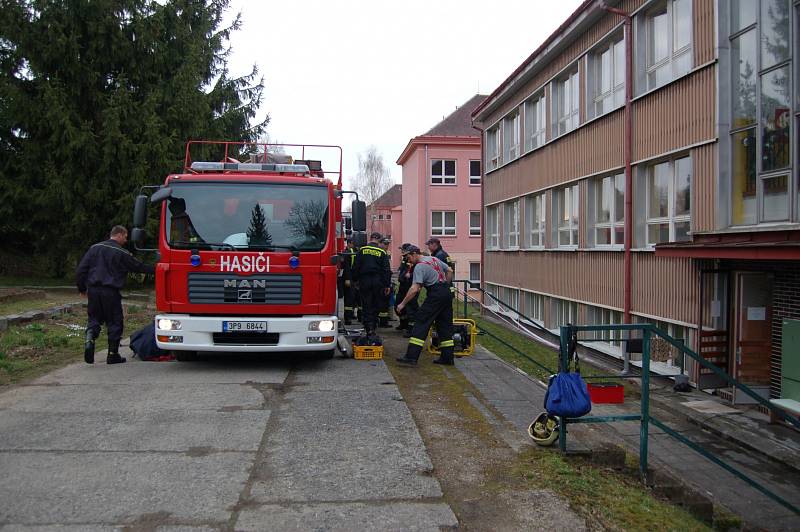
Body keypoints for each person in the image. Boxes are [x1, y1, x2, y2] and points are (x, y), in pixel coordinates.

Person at [76, 225, 155, 364]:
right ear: (118, 234)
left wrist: (82, 288)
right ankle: (112, 355)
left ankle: (89, 339)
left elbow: (81, 270)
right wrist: (158, 269)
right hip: (110, 292)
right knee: (114, 321)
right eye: (125, 237)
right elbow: (138, 267)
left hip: (93, 291)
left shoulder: (94, 248)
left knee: (94, 318)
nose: (126, 240)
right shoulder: (121, 252)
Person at [395, 245, 455, 366]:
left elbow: (414, 288)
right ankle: (447, 358)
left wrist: (402, 304)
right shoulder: (433, 259)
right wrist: (446, 286)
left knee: (421, 322)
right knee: (444, 326)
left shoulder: (420, 266)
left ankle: (411, 357)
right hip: (446, 293)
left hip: (435, 295)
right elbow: (449, 270)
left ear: (414, 254)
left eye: (408, 257)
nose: (408, 260)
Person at [351, 232, 391, 336]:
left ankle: (368, 326)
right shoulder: (382, 252)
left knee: (366, 303)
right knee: (376, 303)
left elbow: (356, 266)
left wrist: (355, 280)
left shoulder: (362, 250)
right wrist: (387, 285)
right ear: (379, 240)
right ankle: (373, 325)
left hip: (365, 280)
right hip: (378, 281)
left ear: (371, 238)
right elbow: (386, 270)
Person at [394, 243, 419, 336]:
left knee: (411, 309)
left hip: (411, 287)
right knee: (398, 305)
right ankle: (403, 323)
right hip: (402, 286)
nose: (401, 251)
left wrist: (409, 275)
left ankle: (411, 329)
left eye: (403, 250)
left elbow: (416, 273)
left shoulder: (415, 260)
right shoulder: (405, 259)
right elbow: (402, 270)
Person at [377, 236, 393, 327]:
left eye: (388, 244)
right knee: (382, 301)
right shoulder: (380, 253)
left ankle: (383, 321)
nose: (387, 246)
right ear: (380, 243)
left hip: (384, 280)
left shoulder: (386, 253)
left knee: (384, 302)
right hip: (381, 281)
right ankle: (382, 322)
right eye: (385, 244)